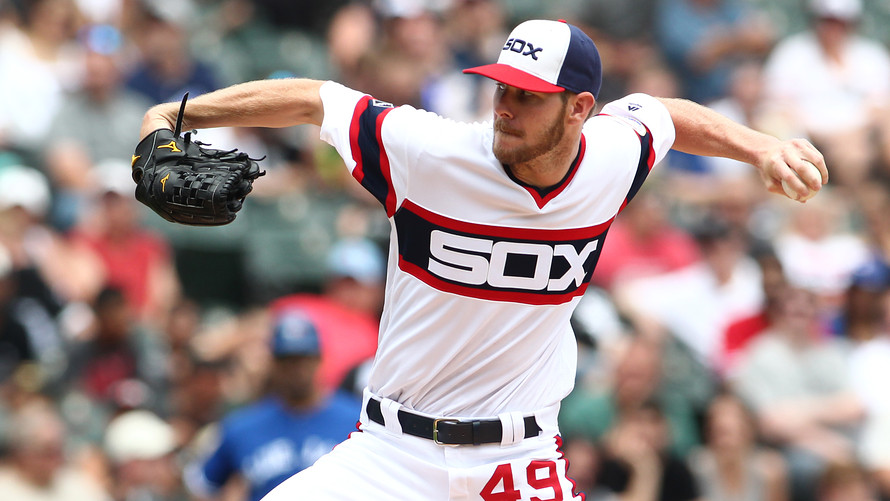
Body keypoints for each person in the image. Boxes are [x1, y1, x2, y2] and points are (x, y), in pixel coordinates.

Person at [139, 18, 827, 500]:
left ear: (581, 108)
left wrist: (760, 146)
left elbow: (671, 115)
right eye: (501, 86)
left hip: (517, 459)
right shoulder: (432, 153)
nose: (505, 105)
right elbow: (312, 99)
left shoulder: (613, 158)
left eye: (528, 96)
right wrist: (176, 114)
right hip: (391, 454)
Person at [183, 308, 361, 501]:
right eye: (288, 361)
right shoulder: (243, 426)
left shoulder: (357, 420)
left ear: (319, 360)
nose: (297, 369)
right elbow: (203, 485)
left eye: (303, 359)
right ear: (273, 363)